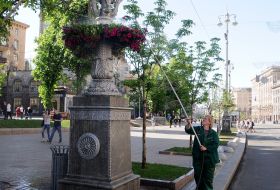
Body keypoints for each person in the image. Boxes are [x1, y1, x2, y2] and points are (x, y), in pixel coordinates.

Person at [185, 115, 219, 190]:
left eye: (205, 119)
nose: (203, 119)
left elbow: (216, 144)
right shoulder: (198, 129)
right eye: (203, 118)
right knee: (198, 177)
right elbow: (188, 130)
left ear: (209, 122)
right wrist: (188, 123)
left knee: (207, 179)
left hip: (209, 160)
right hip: (198, 159)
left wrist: (206, 148)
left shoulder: (213, 133)